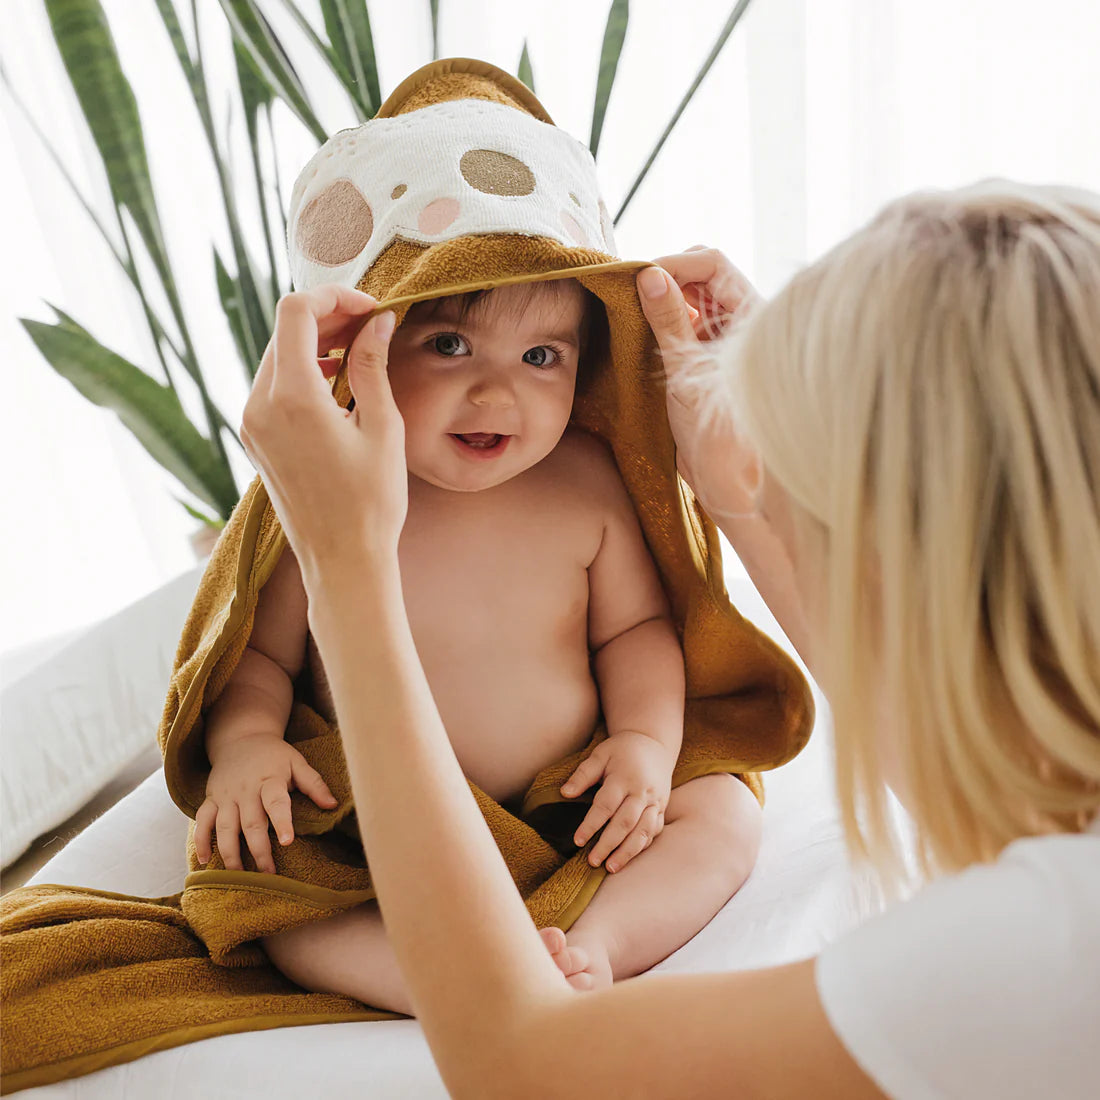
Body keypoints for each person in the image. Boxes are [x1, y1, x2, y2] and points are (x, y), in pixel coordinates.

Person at [238, 178, 1100, 1098]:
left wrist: (349, 572)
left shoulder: (1037, 948)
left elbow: (524, 1064)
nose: (767, 501)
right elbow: (963, 762)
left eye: (798, 500)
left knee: (716, 808)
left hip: (557, 837)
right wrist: (729, 470)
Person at [195, 276, 763, 1013]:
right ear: (361, 354)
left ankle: (597, 944)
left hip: (573, 802)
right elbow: (260, 656)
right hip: (380, 830)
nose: (497, 395)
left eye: (540, 356)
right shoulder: (327, 495)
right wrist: (247, 744)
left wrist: (645, 745)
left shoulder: (589, 482)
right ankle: (451, 985)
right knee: (272, 887)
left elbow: (637, 633)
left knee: (724, 811)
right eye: (450, 345)